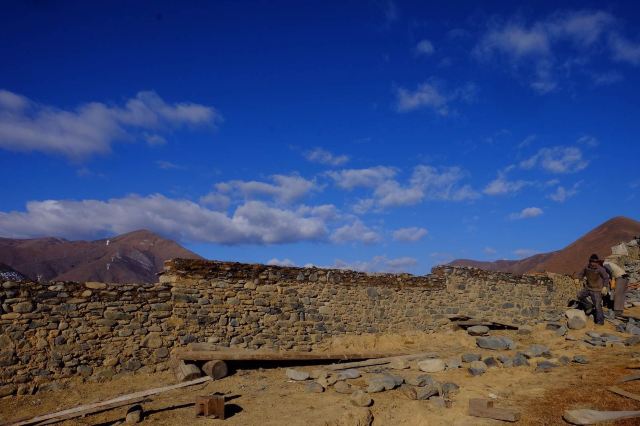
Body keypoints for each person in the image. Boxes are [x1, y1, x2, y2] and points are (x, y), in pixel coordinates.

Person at [577, 254, 610, 325]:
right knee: (579, 295)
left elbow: (606, 278)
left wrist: (604, 286)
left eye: (595, 262)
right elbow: (581, 274)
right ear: (589, 262)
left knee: (597, 306)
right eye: (592, 262)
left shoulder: (601, 269)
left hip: (597, 290)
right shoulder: (586, 267)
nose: (593, 263)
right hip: (588, 288)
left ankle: (600, 321)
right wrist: (579, 279)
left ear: (597, 262)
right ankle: (589, 306)